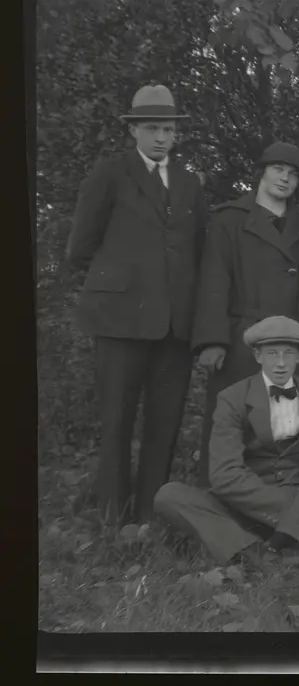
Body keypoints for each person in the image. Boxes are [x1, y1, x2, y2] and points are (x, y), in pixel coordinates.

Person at [65, 84, 207, 525]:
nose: (161, 137)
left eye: (168, 129)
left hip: (175, 324)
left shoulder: (189, 183)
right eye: (152, 128)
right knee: (117, 420)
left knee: (164, 424)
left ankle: (150, 516)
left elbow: (198, 249)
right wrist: (123, 284)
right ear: (133, 131)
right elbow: (80, 248)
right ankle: (113, 515)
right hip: (120, 321)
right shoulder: (110, 174)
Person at [153, 317, 299, 565]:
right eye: (272, 354)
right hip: (249, 502)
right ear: (257, 356)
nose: (281, 363)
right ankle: (263, 555)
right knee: (170, 496)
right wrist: (286, 510)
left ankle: (265, 547)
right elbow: (224, 474)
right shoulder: (233, 398)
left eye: (288, 354)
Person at [192, 142, 299, 488]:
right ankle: (216, 498)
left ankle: (276, 500)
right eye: (278, 170)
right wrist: (213, 340)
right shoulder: (230, 219)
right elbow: (215, 281)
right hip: (242, 337)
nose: (285, 179)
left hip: (291, 340)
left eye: (293, 174)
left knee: (283, 425)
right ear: (261, 173)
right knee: (232, 421)